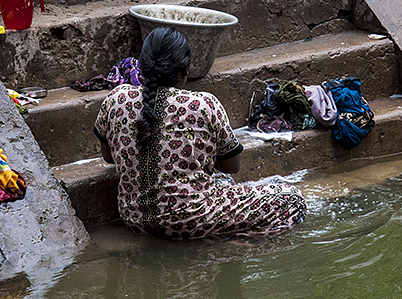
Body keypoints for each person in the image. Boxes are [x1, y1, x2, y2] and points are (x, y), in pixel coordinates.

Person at [94, 26, 306, 239]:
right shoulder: (203, 104)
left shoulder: (117, 99)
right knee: (292, 199)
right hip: (191, 220)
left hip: (134, 219)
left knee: (221, 186)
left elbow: (108, 157)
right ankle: (239, 244)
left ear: (142, 67)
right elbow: (232, 166)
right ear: (185, 71)